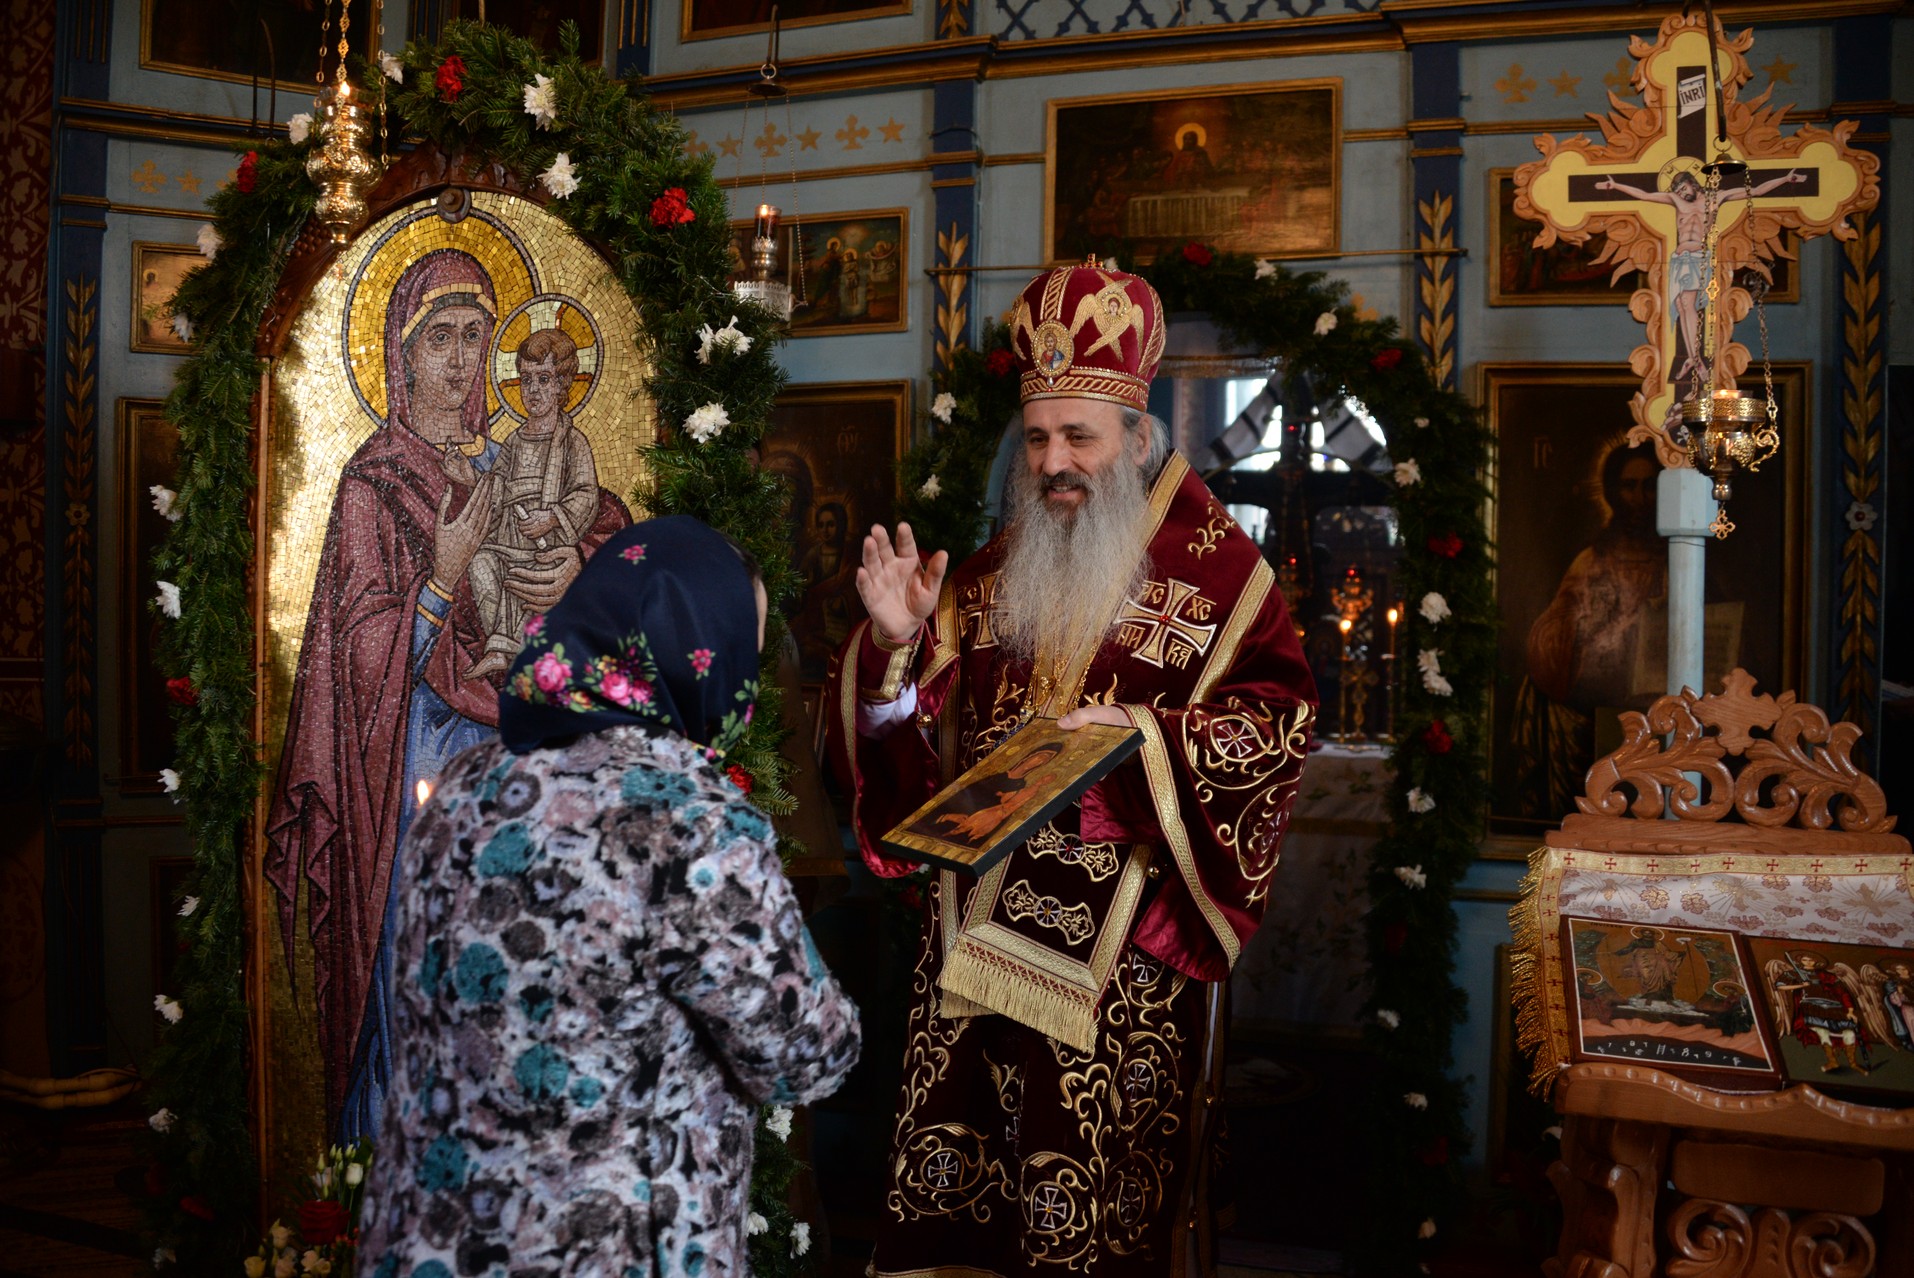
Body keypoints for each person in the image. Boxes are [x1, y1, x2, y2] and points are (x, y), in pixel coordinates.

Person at [826, 262, 1317, 1275]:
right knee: (955, 1203)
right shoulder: (988, 572)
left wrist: (1142, 736)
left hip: (1120, 965)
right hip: (967, 948)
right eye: (1040, 436)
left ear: (1136, 438)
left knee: (1080, 1222)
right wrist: (892, 655)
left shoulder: (1226, 578)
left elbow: (1278, 728)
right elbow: (904, 755)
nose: (1056, 461)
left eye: (1079, 437)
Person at [357, 516, 861, 1277]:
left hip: (434, 1241)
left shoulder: (460, 790)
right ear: (700, 657)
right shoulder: (691, 822)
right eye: (739, 655)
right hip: (609, 1249)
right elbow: (805, 1053)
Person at [263, 249, 629, 1141]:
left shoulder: (521, 453)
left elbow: (610, 537)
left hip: (520, 767)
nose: (461, 359)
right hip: (415, 773)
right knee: (432, 981)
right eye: (439, 339)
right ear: (401, 353)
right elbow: (353, 658)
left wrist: (578, 556)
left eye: (475, 336)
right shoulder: (372, 483)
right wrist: (441, 580)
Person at [466, 327, 602, 679]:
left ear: (562, 385)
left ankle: (533, 655)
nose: (533, 390)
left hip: (547, 545)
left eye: (544, 379)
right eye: (526, 380)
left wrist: (553, 517)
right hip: (509, 538)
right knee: (482, 563)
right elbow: (495, 487)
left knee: (534, 585)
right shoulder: (513, 440)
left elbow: (586, 494)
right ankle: (499, 648)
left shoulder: (572, 442)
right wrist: (469, 477)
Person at [1593, 167, 1805, 387]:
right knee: (1682, 305)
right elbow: (1644, 195)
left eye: (1683, 188)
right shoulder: (1676, 200)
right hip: (1679, 259)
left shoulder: (1717, 197)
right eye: (1677, 190)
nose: (1681, 193)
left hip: (1697, 257)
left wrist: (1785, 179)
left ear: (1693, 183)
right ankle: (1693, 359)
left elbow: (1757, 191)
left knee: (1689, 303)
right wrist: (1615, 185)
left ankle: (1697, 360)